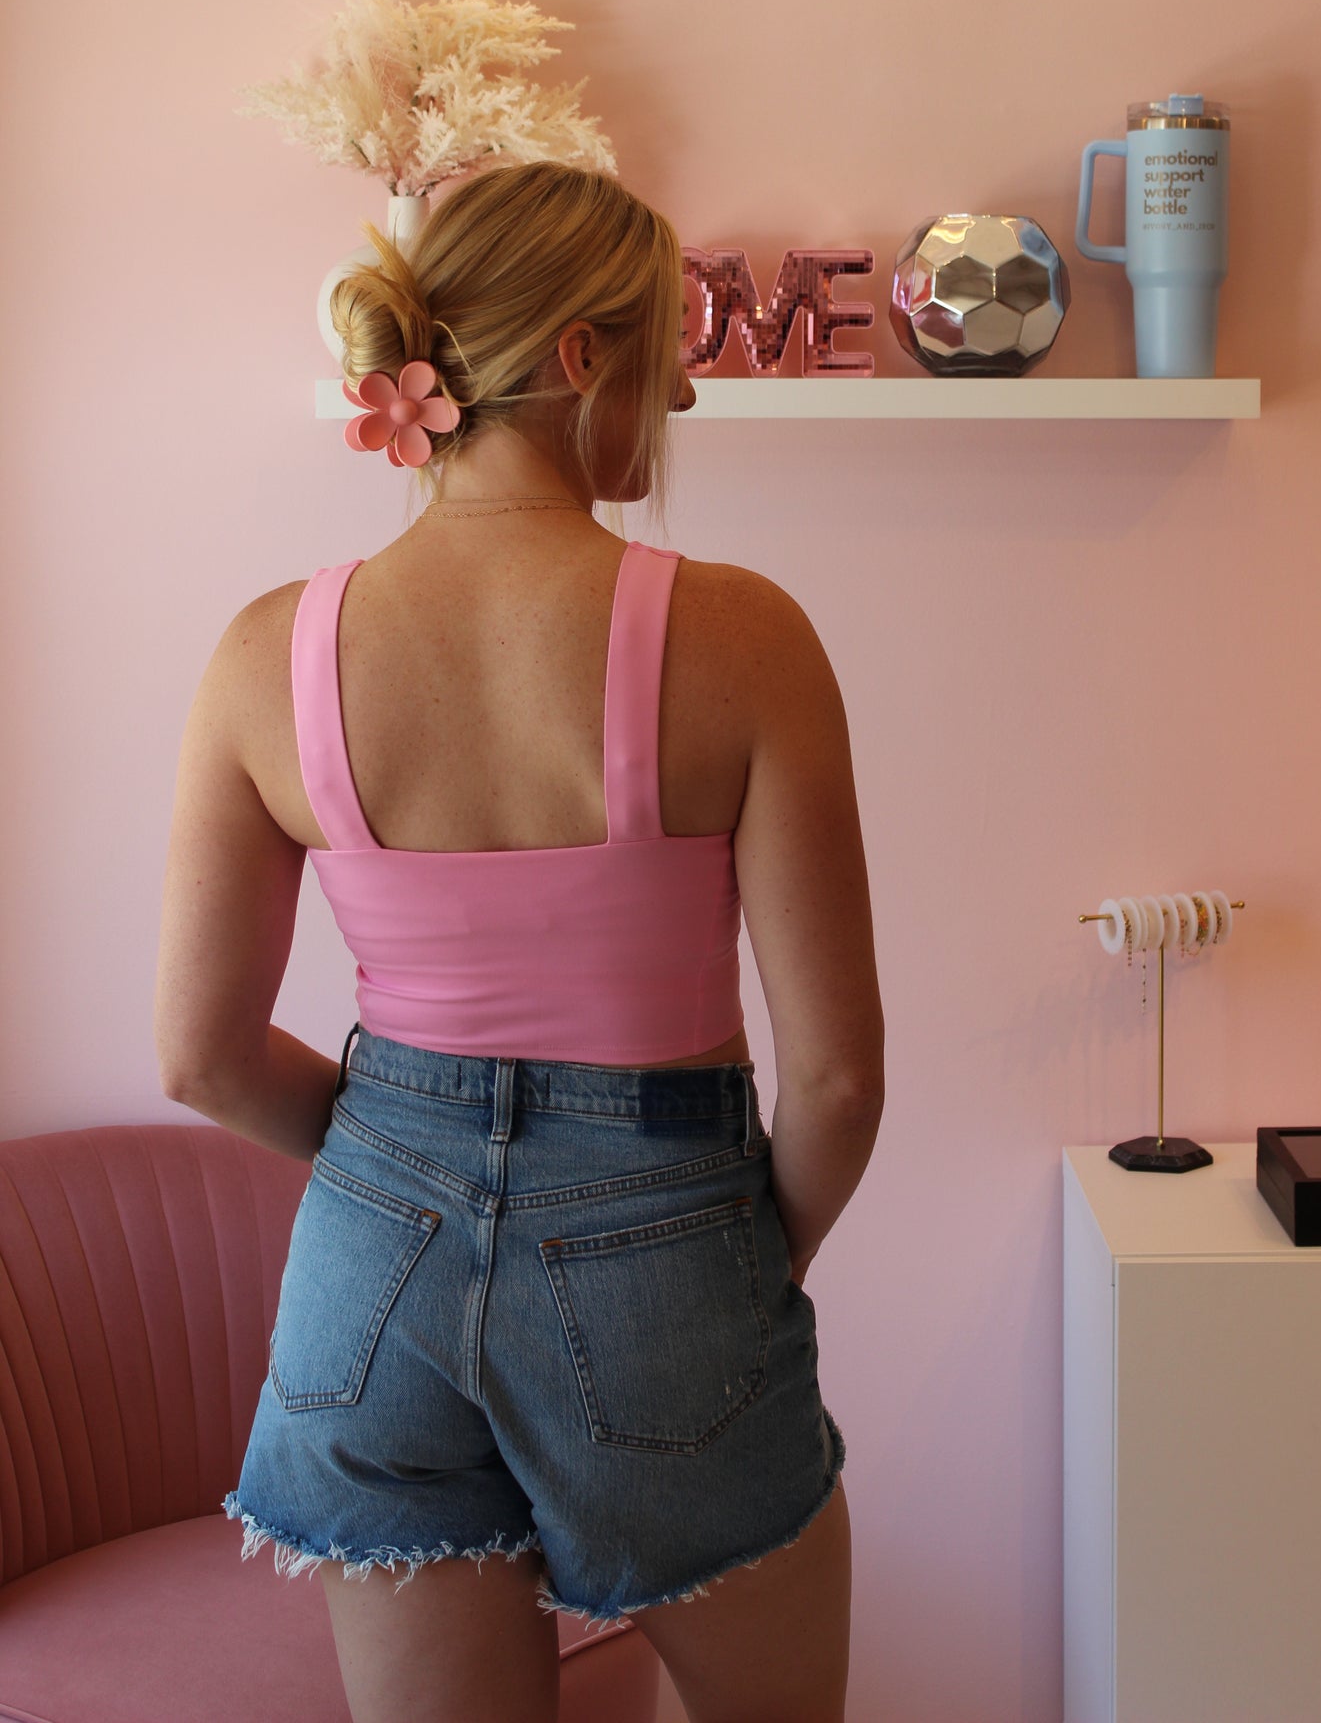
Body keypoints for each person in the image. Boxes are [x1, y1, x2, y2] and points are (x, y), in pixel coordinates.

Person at [153, 158, 886, 1723]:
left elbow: (200, 1057)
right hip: (665, 1240)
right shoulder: (742, 633)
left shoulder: (261, 651)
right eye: (665, 348)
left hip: (369, 1266)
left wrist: (396, 1160)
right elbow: (831, 1085)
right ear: (577, 359)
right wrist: (729, 1265)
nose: (681, 395)